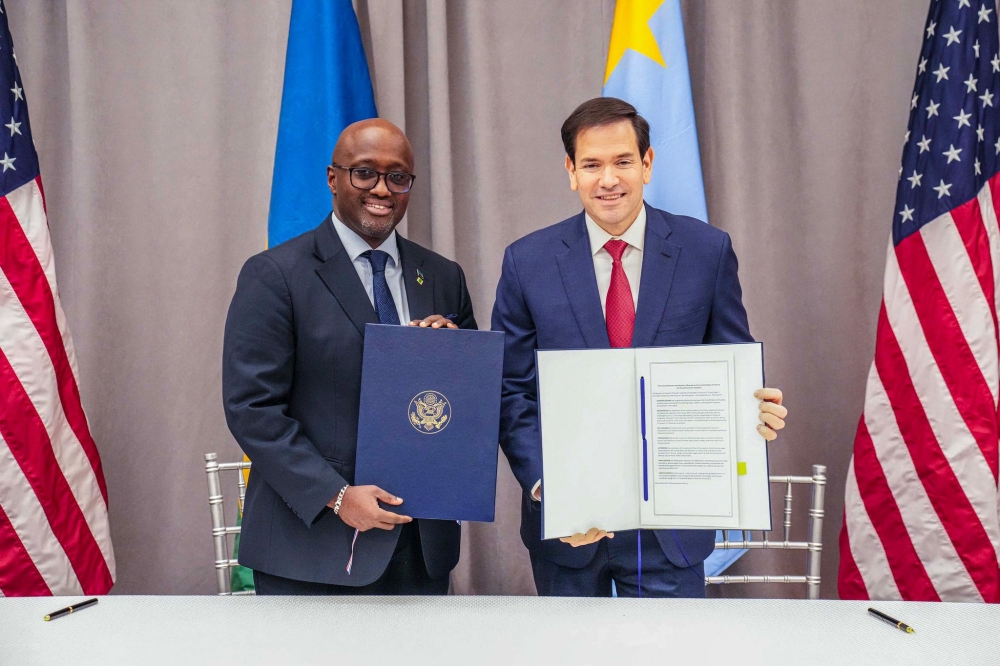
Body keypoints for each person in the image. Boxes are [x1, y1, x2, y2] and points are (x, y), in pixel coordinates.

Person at [492, 97, 788, 598]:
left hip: (671, 530)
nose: (608, 179)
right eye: (591, 164)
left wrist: (752, 410)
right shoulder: (527, 262)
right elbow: (510, 391)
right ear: (571, 171)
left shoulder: (706, 252)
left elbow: (731, 366)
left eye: (623, 161)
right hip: (570, 529)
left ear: (647, 164)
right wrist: (553, 491)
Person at [223, 118, 476, 595]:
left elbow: (468, 408)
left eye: (397, 176)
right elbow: (251, 410)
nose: (382, 188)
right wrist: (335, 497)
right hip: (312, 547)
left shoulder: (443, 276)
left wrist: (454, 356)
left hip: (421, 549)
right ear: (333, 178)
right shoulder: (274, 275)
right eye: (365, 173)